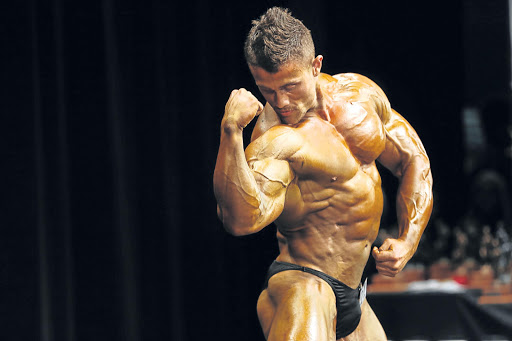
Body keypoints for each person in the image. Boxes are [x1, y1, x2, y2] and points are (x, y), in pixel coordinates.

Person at [213, 7, 433, 341]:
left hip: (355, 295)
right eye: (267, 90)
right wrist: (231, 131)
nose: (281, 101)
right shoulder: (276, 139)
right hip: (304, 285)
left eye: (290, 85)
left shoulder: (360, 97)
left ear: (316, 66)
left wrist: (408, 240)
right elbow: (240, 220)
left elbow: (413, 159)